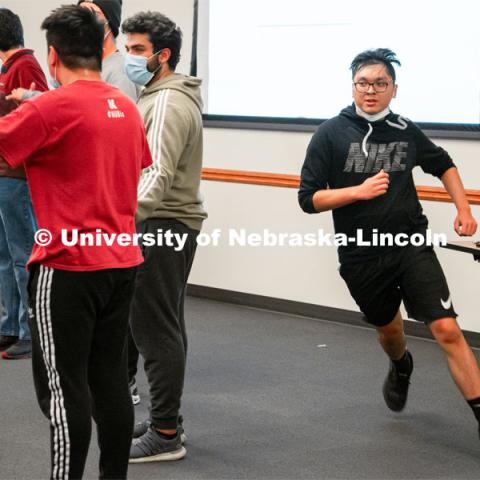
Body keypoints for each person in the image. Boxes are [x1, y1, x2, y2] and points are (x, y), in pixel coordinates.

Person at [0, 5, 152, 478]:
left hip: (66, 267)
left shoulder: (50, 106)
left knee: (64, 390)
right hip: (121, 263)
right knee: (108, 379)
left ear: (52, 55)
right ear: (100, 48)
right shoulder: (125, 106)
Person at [298, 48, 480, 438]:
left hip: (410, 245)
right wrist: (357, 191)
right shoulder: (330, 133)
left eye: (380, 84)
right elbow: (308, 199)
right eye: (363, 83)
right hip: (361, 254)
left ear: (394, 90)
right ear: (352, 87)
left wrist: (464, 210)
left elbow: (443, 164)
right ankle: (401, 364)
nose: (370, 91)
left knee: (447, 329)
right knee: (389, 330)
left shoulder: (404, 129)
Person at [121, 11, 207, 462]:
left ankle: (166, 434)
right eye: (128, 47)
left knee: (154, 330)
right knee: (165, 326)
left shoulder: (168, 102)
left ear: (163, 54)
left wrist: (122, 221)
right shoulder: (160, 96)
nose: (128, 57)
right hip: (168, 224)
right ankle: (164, 419)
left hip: (159, 225)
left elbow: (155, 174)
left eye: (137, 50)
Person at [0, 8, 48, 360]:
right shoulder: (8, 68)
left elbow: (40, 114)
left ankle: (29, 332)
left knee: (21, 256)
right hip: (4, 173)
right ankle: (9, 326)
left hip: (15, 176)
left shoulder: (25, 67)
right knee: (4, 256)